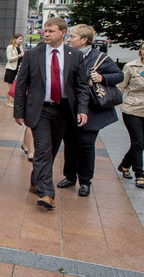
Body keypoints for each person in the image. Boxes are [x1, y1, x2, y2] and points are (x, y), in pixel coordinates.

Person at [13, 17, 89, 210]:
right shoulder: (33, 54)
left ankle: (35, 179)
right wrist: (18, 111)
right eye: (45, 31)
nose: (46, 34)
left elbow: (81, 87)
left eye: (51, 31)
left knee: (52, 150)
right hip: (41, 109)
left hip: (63, 110)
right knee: (44, 149)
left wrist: (82, 110)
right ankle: (47, 193)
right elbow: (21, 85)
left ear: (63, 33)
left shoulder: (75, 55)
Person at [57, 24, 123, 197]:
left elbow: (119, 75)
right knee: (70, 144)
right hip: (70, 108)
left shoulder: (100, 58)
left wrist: (102, 77)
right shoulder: (67, 54)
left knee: (86, 145)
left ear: (84, 40)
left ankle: (85, 181)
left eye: (72, 36)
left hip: (92, 111)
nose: (68, 39)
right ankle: (70, 176)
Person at [118, 41, 144, 188]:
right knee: (138, 142)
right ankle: (139, 174)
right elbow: (120, 87)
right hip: (133, 108)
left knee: (141, 143)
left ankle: (125, 164)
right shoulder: (131, 66)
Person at [4, 34, 24, 107]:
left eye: (21, 39)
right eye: (19, 39)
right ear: (15, 39)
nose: (21, 41)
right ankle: (8, 101)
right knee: (10, 86)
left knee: (16, 86)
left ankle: (13, 100)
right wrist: (19, 56)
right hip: (11, 69)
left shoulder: (20, 47)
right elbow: (9, 59)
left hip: (18, 69)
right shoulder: (10, 47)